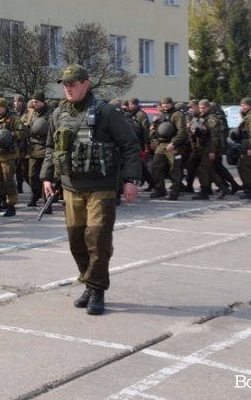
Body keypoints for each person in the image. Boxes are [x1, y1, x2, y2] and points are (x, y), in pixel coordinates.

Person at [41, 65, 141, 315]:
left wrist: (130, 179)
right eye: (65, 84)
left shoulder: (106, 112)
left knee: (97, 240)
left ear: (85, 83)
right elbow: (51, 147)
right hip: (70, 187)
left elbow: (130, 145)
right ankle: (88, 281)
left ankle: (97, 290)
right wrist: (47, 177)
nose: (68, 88)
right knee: (77, 242)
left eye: (72, 84)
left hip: (101, 187)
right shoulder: (58, 113)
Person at [149, 96, 189, 200]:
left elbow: (182, 131)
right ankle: (160, 189)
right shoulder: (161, 115)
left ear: (171, 104)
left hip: (173, 145)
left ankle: (175, 191)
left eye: (167, 103)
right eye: (163, 104)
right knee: (156, 167)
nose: (165, 105)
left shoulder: (177, 115)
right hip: (161, 144)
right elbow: (157, 130)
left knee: (174, 169)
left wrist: (174, 143)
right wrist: (154, 124)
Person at [25, 92, 51, 208]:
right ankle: (35, 194)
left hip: (45, 147)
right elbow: (26, 125)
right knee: (32, 175)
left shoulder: (50, 113)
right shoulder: (31, 113)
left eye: (37, 102)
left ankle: (46, 202)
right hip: (33, 147)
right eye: (33, 101)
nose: (34, 104)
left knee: (45, 176)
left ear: (42, 102)